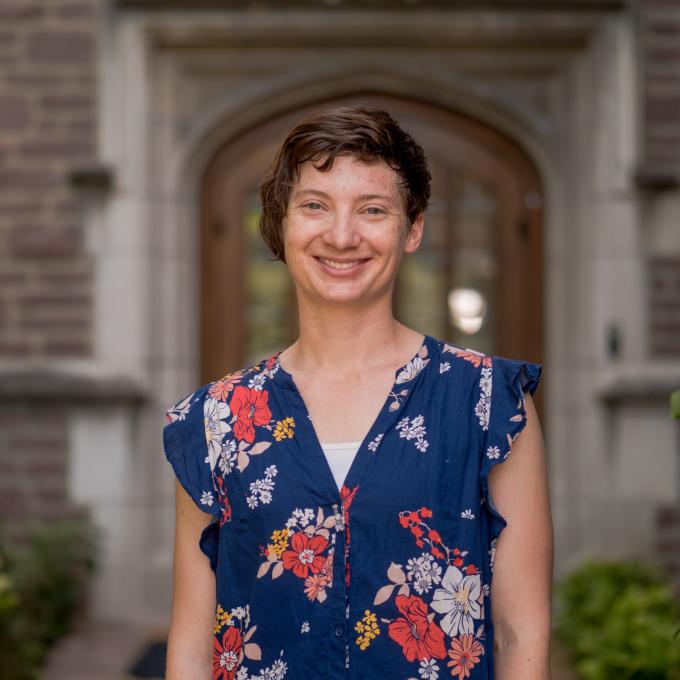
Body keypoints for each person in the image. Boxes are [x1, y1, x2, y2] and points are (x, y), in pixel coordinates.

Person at [162, 105, 553, 680]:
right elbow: (193, 648)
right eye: (315, 206)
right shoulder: (216, 419)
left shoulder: (489, 402)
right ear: (282, 225)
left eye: (372, 210)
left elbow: (522, 635)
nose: (342, 236)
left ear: (412, 228)